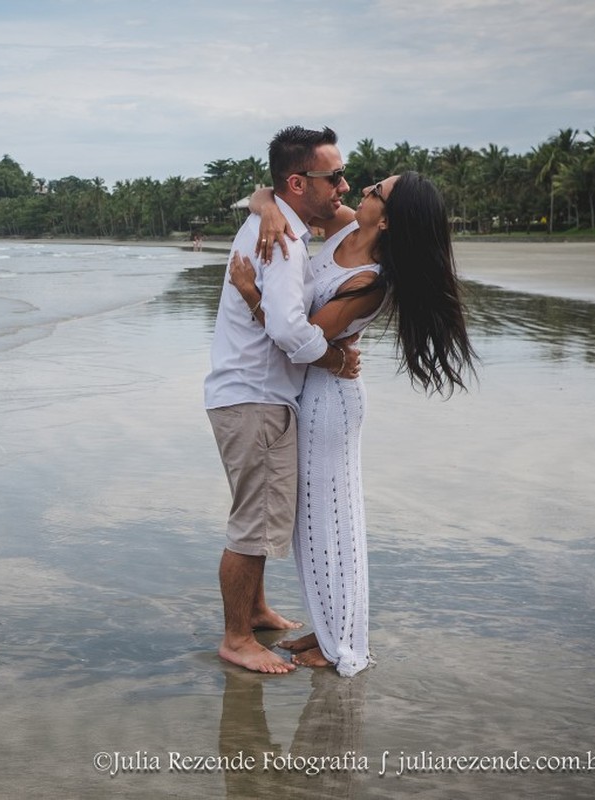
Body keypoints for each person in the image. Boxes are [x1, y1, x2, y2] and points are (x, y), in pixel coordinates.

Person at [229, 170, 476, 675]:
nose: (359, 191)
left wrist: (251, 294)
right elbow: (276, 199)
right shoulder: (347, 227)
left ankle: (340, 641)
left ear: (387, 219)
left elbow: (300, 341)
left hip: (330, 401)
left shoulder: (369, 280)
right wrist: (267, 205)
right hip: (317, 389)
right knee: (316, 521)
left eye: (374, 192)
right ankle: (328, 629)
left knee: (332, 523)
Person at [204, 125, 360, 675]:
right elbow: (291, 331)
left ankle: (257, 611)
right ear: (298, 182)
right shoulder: (284, 239)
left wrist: (266, 199)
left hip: (247, 394)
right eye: (334, 175)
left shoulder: (273, 221)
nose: (344, 184)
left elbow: (282, 320)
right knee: (253, 522)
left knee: (262, 512)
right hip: (257, 398)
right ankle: (236, 637)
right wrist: (334, 359)